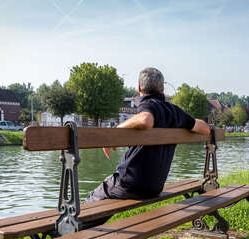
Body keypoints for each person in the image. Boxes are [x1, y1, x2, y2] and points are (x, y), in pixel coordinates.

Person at [84, 67, 210, 203]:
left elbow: (146, 120)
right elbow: (205, 128)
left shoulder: (147, 105)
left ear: (139, 88)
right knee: (108, 193)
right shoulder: (175, 111)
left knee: (93, 198)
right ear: (162, 89)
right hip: (155, 187)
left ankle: (77, 225)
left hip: (130, 184)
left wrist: (116, 131)